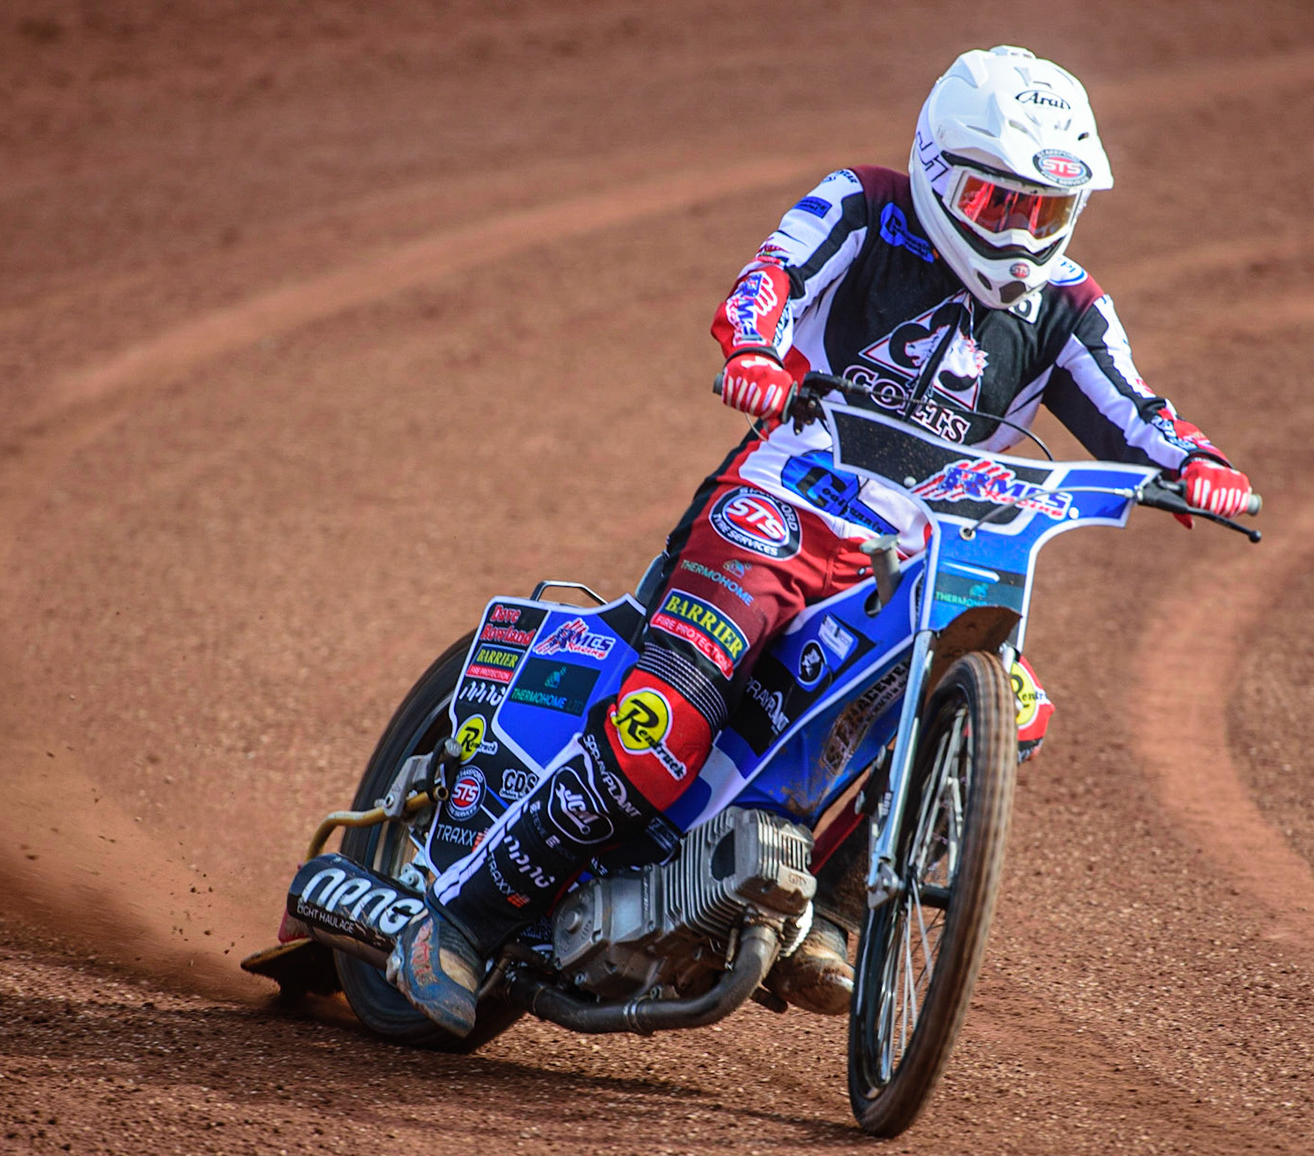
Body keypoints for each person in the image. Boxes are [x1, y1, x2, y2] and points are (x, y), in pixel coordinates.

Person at [394, 46, 1254, 1036]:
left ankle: (833, 921)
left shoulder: (1066, 310)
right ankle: (458, 919)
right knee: (668, 725)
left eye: (1044, 213)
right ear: (938, 172)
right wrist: (753, 349)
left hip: (916, 561)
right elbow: (767, 279)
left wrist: (1196, 466)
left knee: (1011, 707)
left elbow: (1136, 412)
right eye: (996, 201)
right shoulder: (863, 204)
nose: (1020, 236)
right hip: (775, 518)